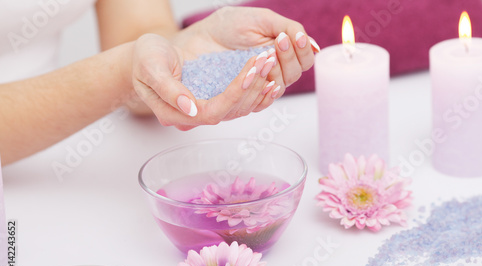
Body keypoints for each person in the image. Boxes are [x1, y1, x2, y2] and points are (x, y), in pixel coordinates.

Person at [0, 1, 318, 165]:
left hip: (61, 151)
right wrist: (121, 73)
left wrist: (176, 54)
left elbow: (137, 34)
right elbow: (125, 64)